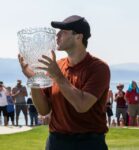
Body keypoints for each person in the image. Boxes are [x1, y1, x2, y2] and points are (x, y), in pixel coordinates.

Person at [18, 15, 110, 150]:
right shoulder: (56, 66)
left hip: (89, 143)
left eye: (63, 31)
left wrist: (58, 76)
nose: (57, 35)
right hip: (56, 142)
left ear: (78, 37)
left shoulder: (99, 68)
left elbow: (82, 105)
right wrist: (33, 80)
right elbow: (44, 110)